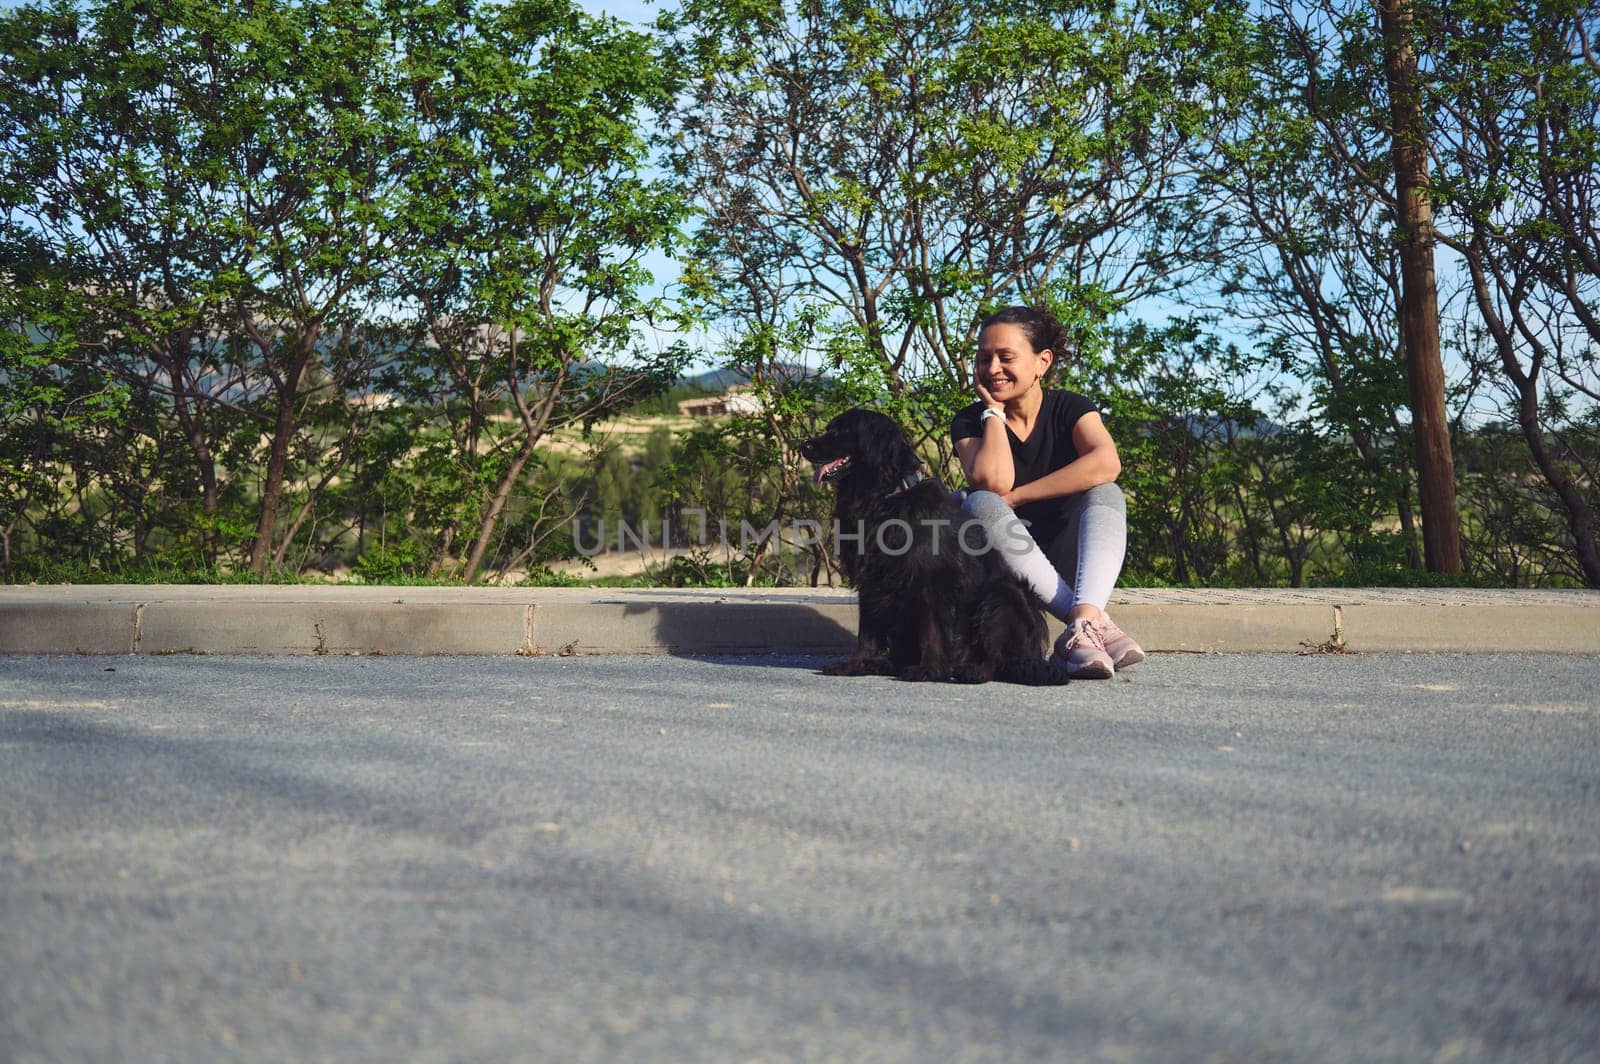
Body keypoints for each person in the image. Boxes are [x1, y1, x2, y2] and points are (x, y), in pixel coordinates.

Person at [951, 305, 1144, 679]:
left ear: (1042, 362)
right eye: (984, 358)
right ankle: (1089, 624)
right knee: (980, 502)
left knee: (1107, 492)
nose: (993, 369)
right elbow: (994, 483)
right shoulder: (968, 420)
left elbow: (1107, 463)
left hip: (1071, 563)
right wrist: (992, 413)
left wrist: (1021, 498)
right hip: (1002, 567)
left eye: (1006, 357)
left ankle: (1082, 625)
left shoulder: (1071, 408)